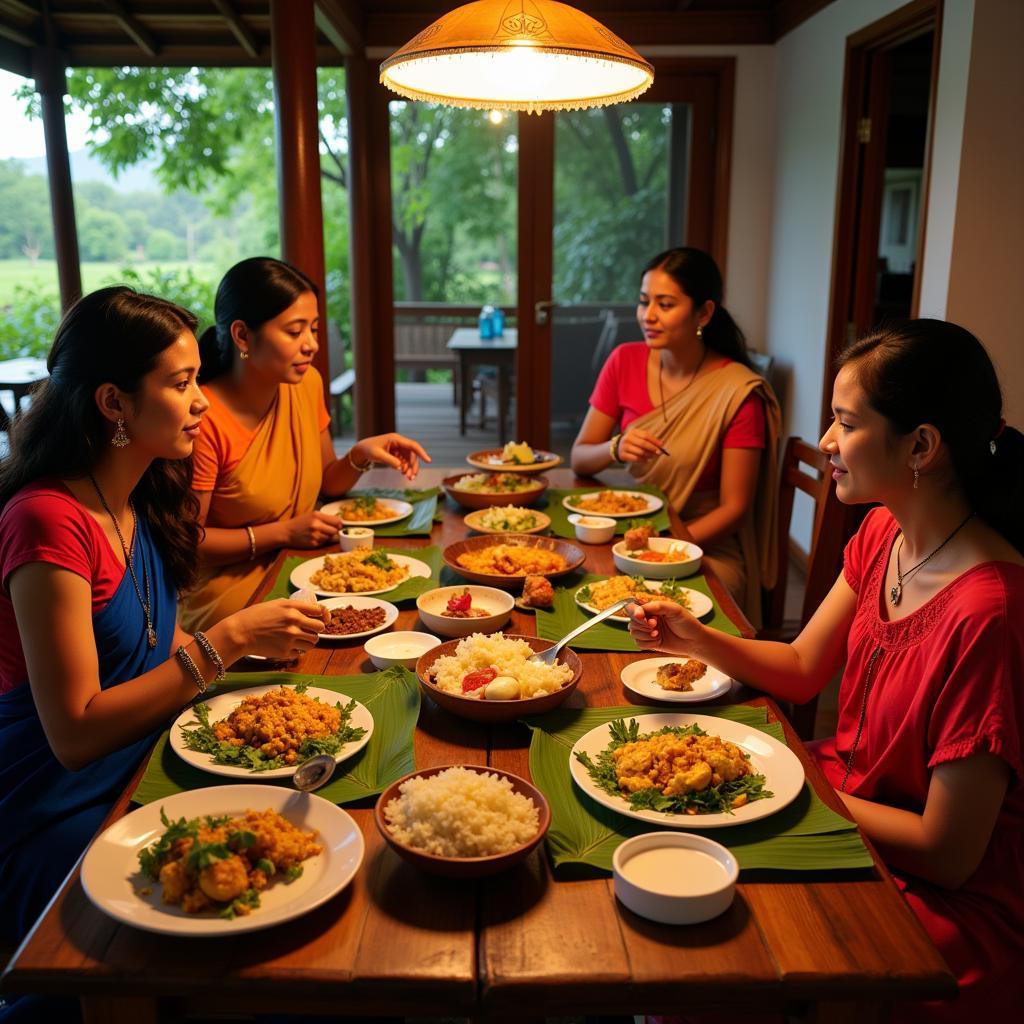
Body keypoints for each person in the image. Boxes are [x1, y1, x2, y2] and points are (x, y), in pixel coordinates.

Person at [628, 320, 1024, 1023]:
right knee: (665, 832)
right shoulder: (884, 534)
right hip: (845, 797)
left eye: (845, 423)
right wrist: (695, 637)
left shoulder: (990, 611)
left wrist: (782, 785)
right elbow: (806, 668)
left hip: (940, 900)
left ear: (922, 446)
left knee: (707, 934)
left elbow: (949, 852)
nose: (828, 443)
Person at [0, 287, 326, 951]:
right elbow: (75, 732)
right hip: (58, 805)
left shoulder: (142, 488)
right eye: (181, 384)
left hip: (145, 760)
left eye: (197, 380)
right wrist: (227, 641)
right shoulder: (47, 520)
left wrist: (257, 654)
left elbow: (155, 638)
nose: (203, 402)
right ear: (113, 403)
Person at [181, 257, 430, 631]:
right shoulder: (204, 419)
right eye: (295, 332)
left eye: (313, 329)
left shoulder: (305, 385)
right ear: (242, 336)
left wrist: (360, 456)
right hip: (233, 598)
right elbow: (188, 543)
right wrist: (282, 533)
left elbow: (328, 482)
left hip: (304, 568)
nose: (312, 345)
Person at [571, 247, 780, 624]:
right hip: (634, 534)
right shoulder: (624, 360)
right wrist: (615, 447)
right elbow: (580, 457)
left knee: (648, 612)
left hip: (702, 547)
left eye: (665, 304)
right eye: (643, 301)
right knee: (582, 592)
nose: (648, 316)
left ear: (703, 313)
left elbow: (734, 509)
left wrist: (664, 550)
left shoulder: (737, 392)